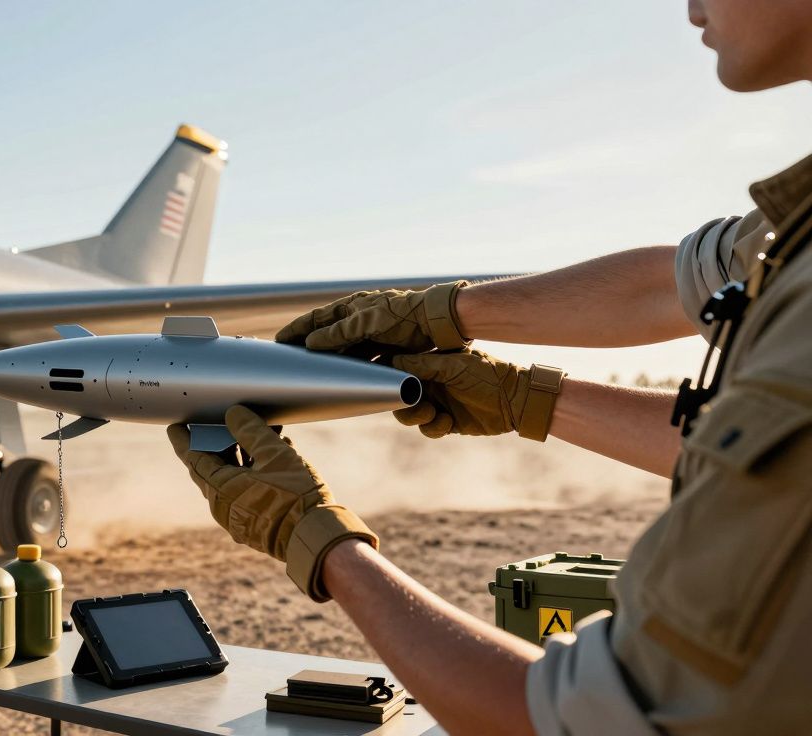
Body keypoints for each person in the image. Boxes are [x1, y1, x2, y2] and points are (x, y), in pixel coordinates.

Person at [166, 2, 812, 733]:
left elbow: (565, 721)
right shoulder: (796, 229)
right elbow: (670, 289)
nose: (690, 6)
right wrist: (488, 360)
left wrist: (317, 540)